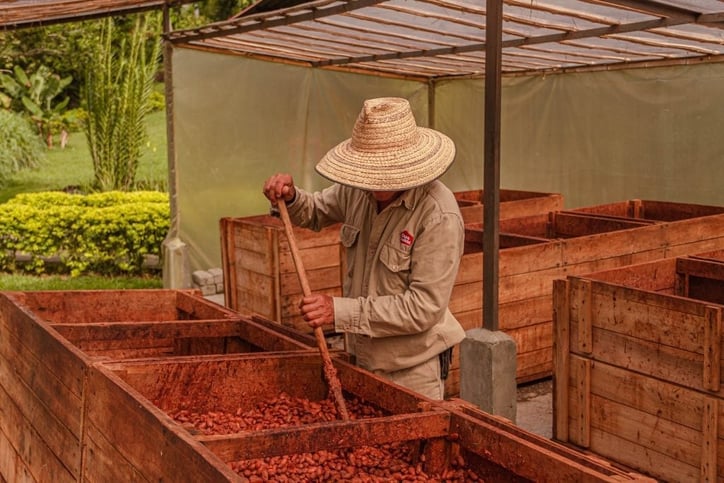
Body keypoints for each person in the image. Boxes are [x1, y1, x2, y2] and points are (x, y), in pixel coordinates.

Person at [263, 97, 465, 400]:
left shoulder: (437, 214)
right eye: (368, 172)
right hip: (361, 356)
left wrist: (338, 311)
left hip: (411, 369)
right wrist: (291, 198)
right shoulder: (359, 190)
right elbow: (316, 211)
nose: (372, 182)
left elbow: (423, 308)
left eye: (381, 174)